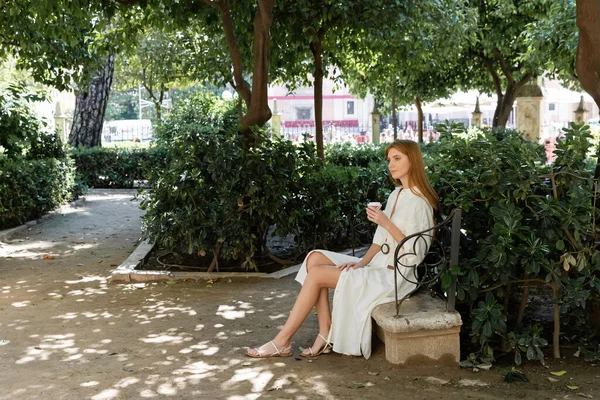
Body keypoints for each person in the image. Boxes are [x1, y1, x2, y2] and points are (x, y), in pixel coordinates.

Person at [246, 140, 439, 359]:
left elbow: (415, 255)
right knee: (315, 258)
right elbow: (379, 241)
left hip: (394, 275)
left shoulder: (420, 202)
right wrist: (361, 263)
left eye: (397, 159)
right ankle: (326, 330)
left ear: (412, 160)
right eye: (389, 160)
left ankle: (282, 341)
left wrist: (386, 222)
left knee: (317, 274)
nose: (391, 165)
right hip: (376, 265)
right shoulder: (396, 194)